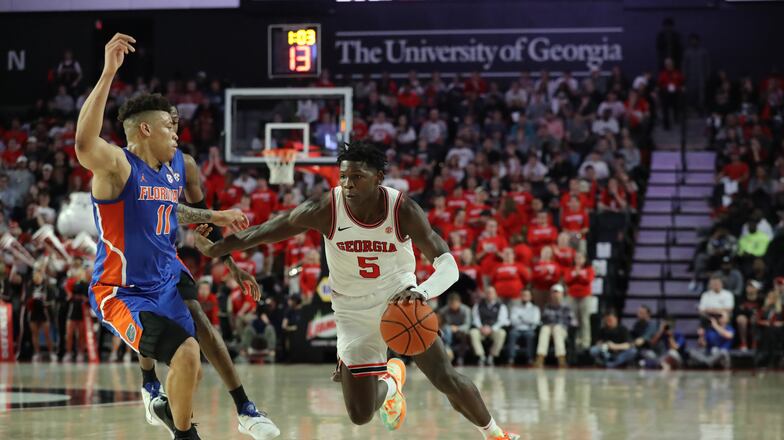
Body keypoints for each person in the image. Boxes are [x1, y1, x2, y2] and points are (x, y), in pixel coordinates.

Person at [194, 141, 521, 439]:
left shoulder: (402, 209)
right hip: (351, 311)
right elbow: (267, 231)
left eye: (357, 177)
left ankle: (496, 433)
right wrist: (217, 249)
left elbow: (447, 263)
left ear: (378, 177)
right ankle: (392, 381)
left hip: (400, 299)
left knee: (444, 376)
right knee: (360, 415)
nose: (348, 184)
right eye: (343, 177)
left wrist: (422, 291)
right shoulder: (325, 208)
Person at [75, 34, 258, 440]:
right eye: (167, 126)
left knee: (194, 348)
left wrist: (229, 260)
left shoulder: (171, 168)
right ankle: (169, 410)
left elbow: (181, 214)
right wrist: (108, 73)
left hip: (163, 277)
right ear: (144, 129)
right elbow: (84, 144)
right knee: (183, 348)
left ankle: (189, 414)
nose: (175, 132)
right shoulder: (118, 167)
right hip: (122, 290)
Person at [133, 106, 279, 439]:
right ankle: (149, 384)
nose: (173, 128)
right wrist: (215, 216)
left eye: (175, 122)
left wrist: (232, 267)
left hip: (167, 259)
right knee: (150, 323)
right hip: (132, 266)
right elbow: (192, 213)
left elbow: (203, 220)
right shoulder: (129, 166)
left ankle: (244, 407)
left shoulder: (184, 165)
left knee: (202, 323)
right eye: (167, 122)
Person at [535, 284, 575, 368]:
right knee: (544, 329)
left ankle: (561, 359)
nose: (555, 295)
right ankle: (540, 357)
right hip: (549, 329)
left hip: (562, 330)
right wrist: (550, 325)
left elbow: (572, 321)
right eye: (553, 293)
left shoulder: (567, 307)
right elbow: (543, 320)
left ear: (562, 294)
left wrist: (558, 324)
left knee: (557, 329)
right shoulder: (547, 306)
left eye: (557, 293)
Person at [470, 286, 510, 366]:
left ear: (496, 294)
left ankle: (492, 356)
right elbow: (475, 318)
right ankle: (481, 356)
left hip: (494, 330)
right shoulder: (478, 305)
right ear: (485, 294)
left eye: (491, 293)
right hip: (481, 329)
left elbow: (502, 321)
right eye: (488, 293)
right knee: (473, 332)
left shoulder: (501, 306)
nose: (489, 295)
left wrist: (491, 329)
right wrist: (481, 327)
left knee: (502, 333)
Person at [506, 289, 540, 366]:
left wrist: (521, 318)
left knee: (530, 335)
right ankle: (511, 358)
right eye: (523, 295)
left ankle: (530, 358)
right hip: (516, 329)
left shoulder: (535, 308)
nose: (525, 297)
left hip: (529, 329)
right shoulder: (515, 307)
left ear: (531, 297)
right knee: (512, 334)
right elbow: (513, 321)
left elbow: (535, 321)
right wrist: (527, 320)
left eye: (527, 295)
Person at [438, 292, 472, 366]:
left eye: (454, 303)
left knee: (464, 334)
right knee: (444, 330)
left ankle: (460, 357)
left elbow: (468, 325)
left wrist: (457, 328)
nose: (453, 306)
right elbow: (439, 321)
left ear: (459, 302)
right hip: (448, 331)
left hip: (461, 331)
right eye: (451, 304)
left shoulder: (466, 310)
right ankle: (447, 349)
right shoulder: (444, 310)